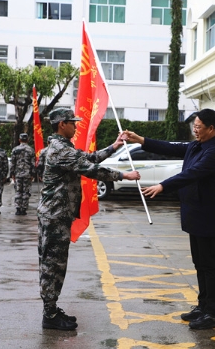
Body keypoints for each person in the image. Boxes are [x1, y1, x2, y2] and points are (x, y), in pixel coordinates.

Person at [37, 107, 140, 331]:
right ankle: (50, 314)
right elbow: (92, 169)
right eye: (72, 122)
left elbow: (89, 157)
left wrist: (114, 147)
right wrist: (124, 175)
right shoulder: (60, 150)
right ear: (61, 124)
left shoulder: (63, 147)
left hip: (57, 214)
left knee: (55, 264)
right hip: (55, 216)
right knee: (52, 266)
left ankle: (51, 309)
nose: (75, 126)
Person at [124, 108, 215, 330]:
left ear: (211, 128)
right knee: (199, 262)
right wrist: (140, 139)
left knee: (210, 264)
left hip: (207, 214)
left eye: (198, 127)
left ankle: (213, 313)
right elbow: (169, 147)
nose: (195, 130)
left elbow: (192, 173)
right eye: (194, 126)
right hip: (194, 211)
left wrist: (163, 185)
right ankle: (203, 306)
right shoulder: (196, 146)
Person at [11, 133, 35, 215]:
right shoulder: (31, 150)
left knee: (18, 191)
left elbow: (12, 163)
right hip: (27, 174)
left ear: (19, 140)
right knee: (25, 191)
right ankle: (24, 209)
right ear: (27, 140)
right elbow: (33, 164)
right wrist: (33, 174)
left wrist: (12, 174)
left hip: (18, 174)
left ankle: (18, 208)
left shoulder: (15, 150)